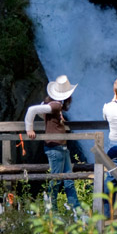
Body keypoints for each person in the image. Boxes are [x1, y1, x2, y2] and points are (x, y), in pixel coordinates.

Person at [25, 75, 82, 212]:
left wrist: (59, 118)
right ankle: (51, 210)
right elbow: (32, 110)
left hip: (61, 147)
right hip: (55, 147)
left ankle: (76, 208)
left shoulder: (50, 104)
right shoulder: (55, 105)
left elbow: (41, 112)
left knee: (68, 179)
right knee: (56, 179)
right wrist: (29, 129)